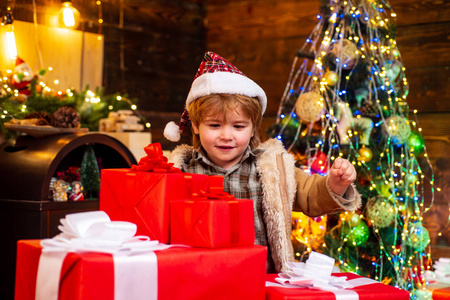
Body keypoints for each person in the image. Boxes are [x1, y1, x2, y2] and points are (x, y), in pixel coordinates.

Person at [164, 52, 361, 273]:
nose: (226, 135)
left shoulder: (272, 168)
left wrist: (336, 184)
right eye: (215, 125)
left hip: (262, 278)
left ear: (252, 129)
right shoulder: (179, 171)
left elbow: (309, 194)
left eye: (238, 127)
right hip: (200, 275)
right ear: (196, 127)